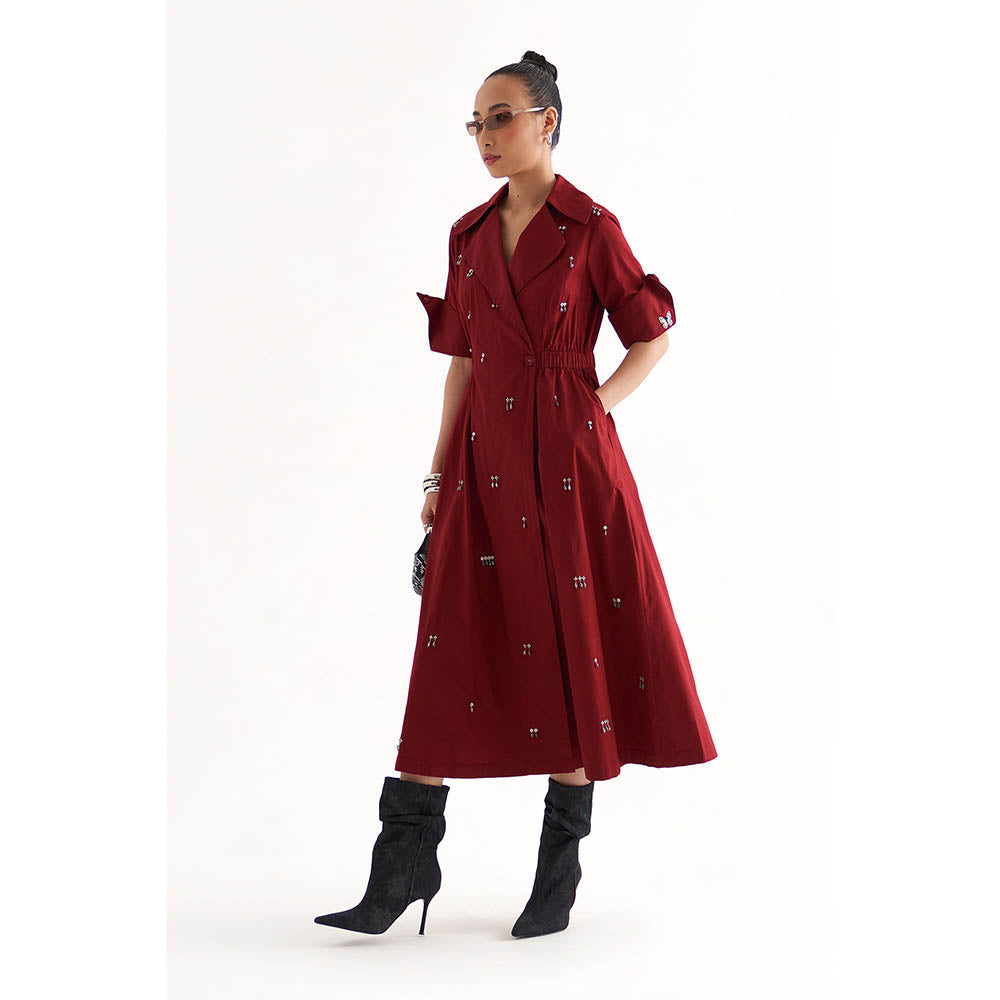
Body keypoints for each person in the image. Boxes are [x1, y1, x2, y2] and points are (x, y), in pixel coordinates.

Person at [315, 49, 717, 939]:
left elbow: (650, 335)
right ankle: (401, 871)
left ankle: (556, 881)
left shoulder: (592, 227)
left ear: (548, 121)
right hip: (483, 463)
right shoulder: (466, 234)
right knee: (449, 646)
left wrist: (594, 411)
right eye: (476, 122)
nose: (485, 136)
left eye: (501, 117)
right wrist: (436, 474)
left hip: (571, 469)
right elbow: (462, 363)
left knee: (570, 645)